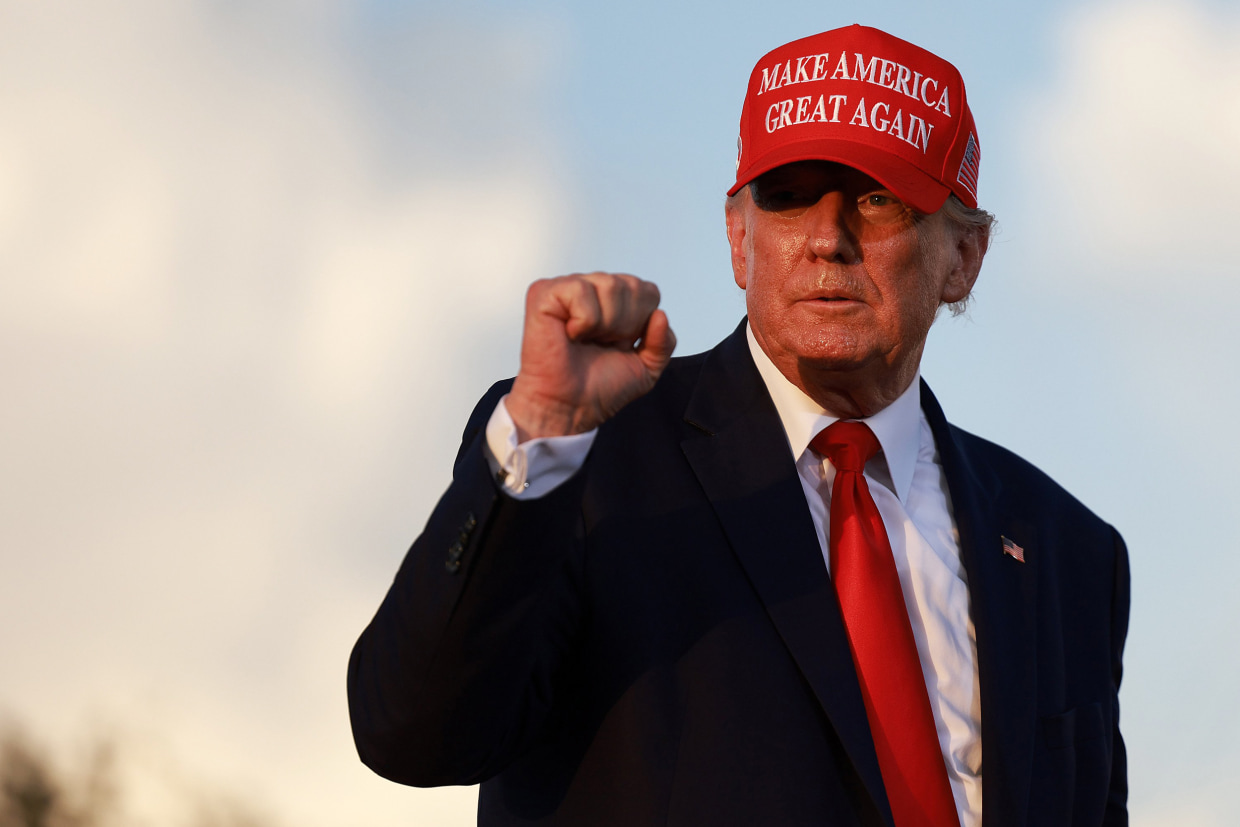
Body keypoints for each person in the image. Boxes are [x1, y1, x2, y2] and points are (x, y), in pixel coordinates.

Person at [348, 24, 1129, 827]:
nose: (827, 238)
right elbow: (413, 733)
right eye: (789, 195)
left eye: (877, 198)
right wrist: (540, 434)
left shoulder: (1068, 550)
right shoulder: (583, 457)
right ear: (738, 237)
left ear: (963, 256)